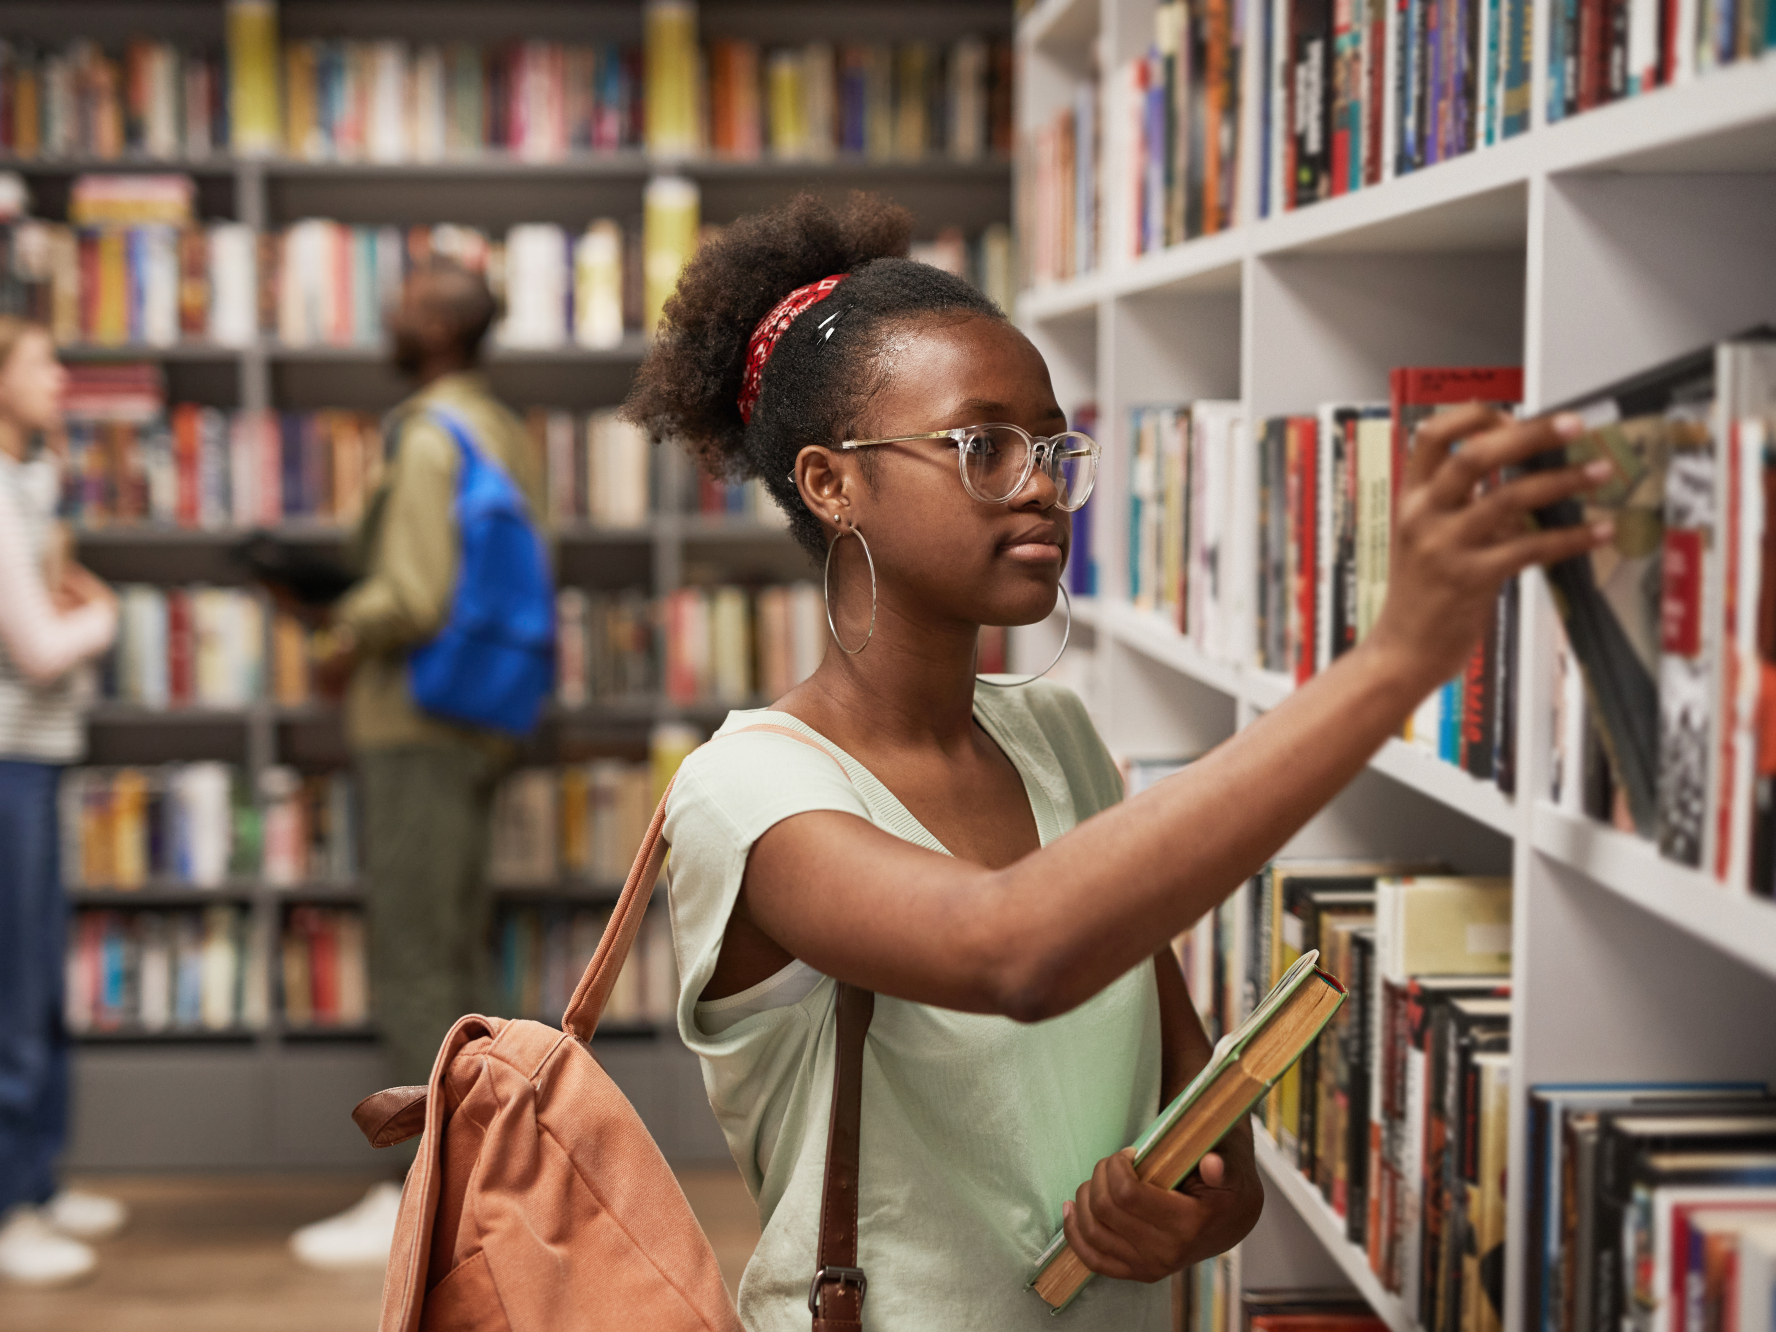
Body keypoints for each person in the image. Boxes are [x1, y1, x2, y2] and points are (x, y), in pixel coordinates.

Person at [620, 193, 1609, 1330]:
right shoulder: (748, 792)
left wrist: (1202, 1205)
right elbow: (1011, 950)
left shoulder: (1058, 740)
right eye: (983, 446)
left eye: (1052, 445)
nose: (1041, 482)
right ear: (831, 483)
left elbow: (1191, 1099)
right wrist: (1390, 665)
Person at [288, 261, 546, 1269]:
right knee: (455, 949)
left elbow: (414, 593)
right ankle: (474, 1185)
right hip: (482, 716)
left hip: (417, 721)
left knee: (414, 957)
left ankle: (421, 1195)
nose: (387, 312)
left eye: (403, 297)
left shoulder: (428, 432)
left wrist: (329, 631)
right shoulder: (505, 428)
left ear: (438, 323)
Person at [0, 318, 129, 1287]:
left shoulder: (28, 482)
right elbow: (39, 648)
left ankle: (39, 1183)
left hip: (36, 758)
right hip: (10, 760)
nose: (60, 377)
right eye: (41, 362)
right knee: (17, 987)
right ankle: (12, 1204)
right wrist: (108, 622)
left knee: (39, 980)